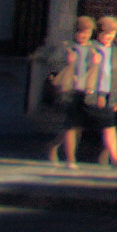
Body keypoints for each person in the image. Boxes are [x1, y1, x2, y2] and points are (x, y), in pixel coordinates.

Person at [39, 14, 101, 167]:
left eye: (86, 32)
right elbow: (54, 67)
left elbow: (98, 70)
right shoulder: (67, 47)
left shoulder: (94, 49)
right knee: (71, 124)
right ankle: (70, 159)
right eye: (80, 32)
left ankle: (54, 146)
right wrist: (67, 65)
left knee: (76, 126)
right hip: (68, 91)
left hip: (84, 91)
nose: (83, 35)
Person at [90, 13, 117, 166]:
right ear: (99, 33)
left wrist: (115, 98)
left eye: (112, 33)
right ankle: (55, 146)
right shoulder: (92, 48)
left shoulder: (115, 50)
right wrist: (99, 94)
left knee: (109, 125)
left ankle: (114, 158)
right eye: (106, 33)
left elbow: (116, 77)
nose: (109, 36)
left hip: (109, 93)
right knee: (75, 126)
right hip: (91, 94)